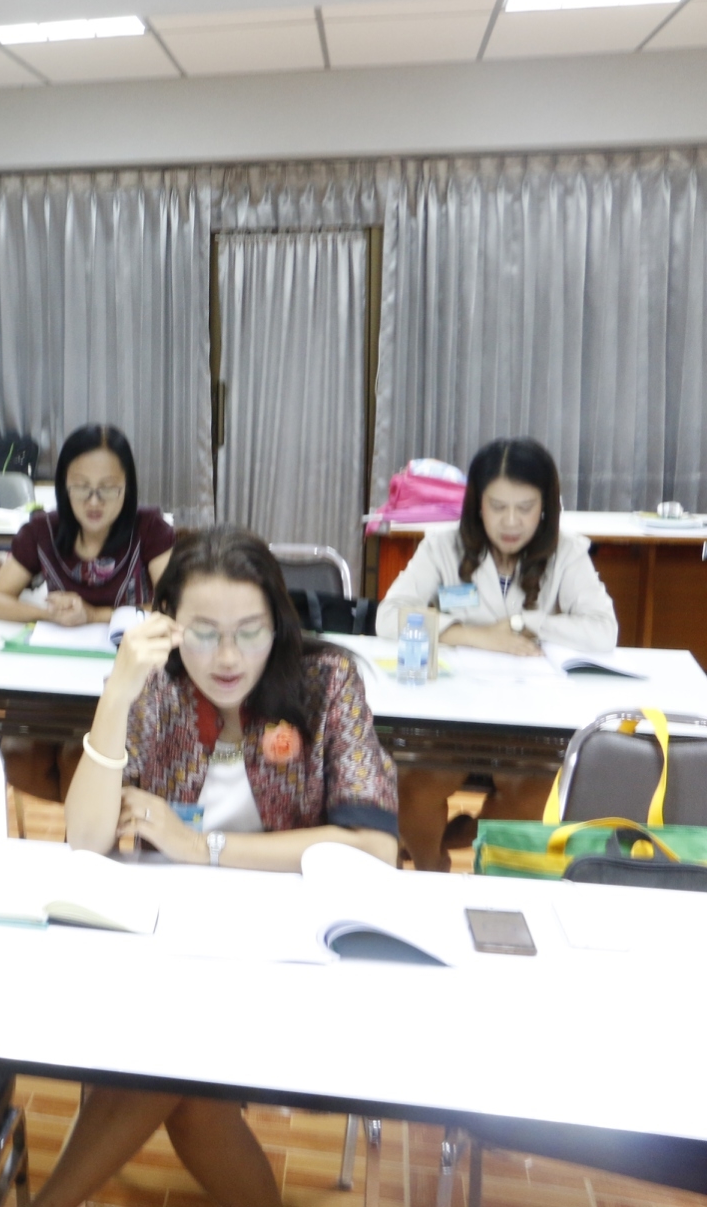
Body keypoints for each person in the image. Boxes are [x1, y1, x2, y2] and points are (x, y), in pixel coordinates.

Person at [35, 527, 398, 1207]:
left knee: (170, 1058)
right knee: (179, 1068)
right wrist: (115, 695)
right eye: (203, 633)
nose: (227, 658)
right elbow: (85, 839)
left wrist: (201, 846)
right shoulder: (157, 687)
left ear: (277, 624)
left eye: (249, 632)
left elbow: (374, 847)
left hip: (293, 954)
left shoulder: (326, 682)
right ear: (168, 628)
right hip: (169, 944)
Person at [376, 437, 617, 869]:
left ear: (545, 507)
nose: (510, 521)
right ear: (477, 505)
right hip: (449, 713)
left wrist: (525, 622)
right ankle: (431, 867)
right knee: (414, 786)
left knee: (535, 795)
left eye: (525, 507)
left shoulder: (567, 551)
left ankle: (474, 840)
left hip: (531, 719)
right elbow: (388, 616)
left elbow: (603, 630)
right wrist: (475, 635)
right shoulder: (442, 545)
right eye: (497, 506)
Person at [0, 424, 176, 626]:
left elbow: (173, 607)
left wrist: (94, 615)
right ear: (64, 486)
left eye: (107, 488)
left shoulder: (150, 528)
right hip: (64, 644)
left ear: (127, 487)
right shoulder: (42, 530)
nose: (94, 502)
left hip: (134, 642)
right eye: (81, 487)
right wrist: (50, 614)